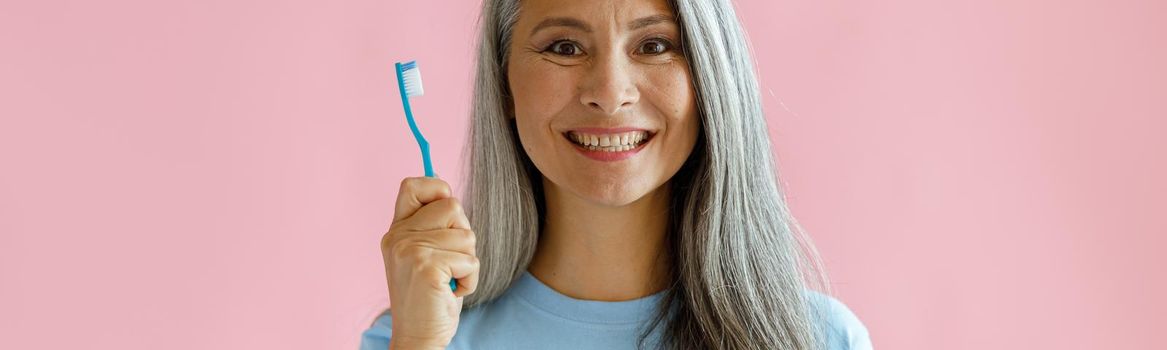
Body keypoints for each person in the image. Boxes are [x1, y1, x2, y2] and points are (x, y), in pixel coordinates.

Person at [363, 0, 872, 348]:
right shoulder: (413, 336)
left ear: (710, 78)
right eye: (564, 47)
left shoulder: (818, 339)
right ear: (504, 86)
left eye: (653, 46)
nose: (610, 92)